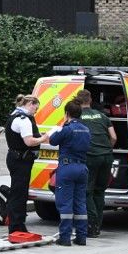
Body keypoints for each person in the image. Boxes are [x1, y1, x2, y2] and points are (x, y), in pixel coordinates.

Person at [3, 94, 50, 235]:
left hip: (15, 158)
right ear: (30, 104)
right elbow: (29, 142)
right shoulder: (23, 120)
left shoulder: (15, 115)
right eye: (35, 109)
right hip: (21, 160)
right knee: (19, 194)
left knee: (18, 192)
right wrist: (43, 138)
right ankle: (16, 226)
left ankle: (18, 224)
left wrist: (38, 135)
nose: (35, 112)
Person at [48, 99, 91, 246]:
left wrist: (61, 126)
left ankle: (65, 238)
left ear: (67, 114)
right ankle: (81, 237)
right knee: (80, 203)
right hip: (82, 168)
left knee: (65, 203)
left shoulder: (67, 129)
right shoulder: (86, 130)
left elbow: (52, 140)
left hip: (67, 168)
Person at [76, 90, 116, 238]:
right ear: (90, 100)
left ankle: (91, 226)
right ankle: (98, 225)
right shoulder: (103, 116)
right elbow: (113, 137)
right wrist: (106, 149)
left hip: (90, 157)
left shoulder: (78, 117)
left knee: (87, 192)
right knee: (100, 191)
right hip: (106, 157)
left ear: (78, 102)